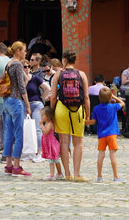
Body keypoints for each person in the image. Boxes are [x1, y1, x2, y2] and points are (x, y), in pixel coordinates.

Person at [51, 49, 90, 182]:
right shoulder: (82, 74)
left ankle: (67, 173)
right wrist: (87, 115)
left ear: (64, 60)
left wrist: (52, 112)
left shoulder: (58, 74)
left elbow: (53, 97)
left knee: (64, 142)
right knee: (78, 143)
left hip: (61, 109)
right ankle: (77, 174)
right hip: (77, 110)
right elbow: (86, 97)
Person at [2, 41, 33, 176]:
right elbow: (21, 87)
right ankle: (16, 166)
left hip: (7, 100)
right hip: (16, 100)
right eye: (24, 51)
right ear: (18, 51)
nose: (26, 53)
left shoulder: (8, 64)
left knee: (9, 133)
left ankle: (8, 165)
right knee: (19, 134)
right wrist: (27, 104)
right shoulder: (18, 65)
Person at [89, 86, 125, 183]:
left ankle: (99, 176)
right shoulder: (113, 107)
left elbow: (93, 122)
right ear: (110, 98)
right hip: (112, 134)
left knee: (101, 155)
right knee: (112, 155)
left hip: (101, 134)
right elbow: (122, 103)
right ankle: (116, 176)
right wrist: (114, 97)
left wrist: (84, 122)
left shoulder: (96, 109)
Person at [26, 58, 46, 161]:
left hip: (36, 104)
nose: (27, 68)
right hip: (25, 105)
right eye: (24, 67)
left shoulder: (35, 78)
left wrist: (42, 97)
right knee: (27, 129)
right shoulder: (21, 80)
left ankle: (40, 152)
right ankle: (30, 152)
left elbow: (48, 88)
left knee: (38, 128)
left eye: (28, 66)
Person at [40, 106, 63, 180]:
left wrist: (41, 125)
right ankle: (59, 173)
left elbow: (46, 132)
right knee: (54, 160)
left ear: (48, 116)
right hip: (48, 143)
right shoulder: (47, 122)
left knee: (52, 160)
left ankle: (52, 175)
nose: (41, 117)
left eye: (43, 115)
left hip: (51, 144)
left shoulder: (49, 123)